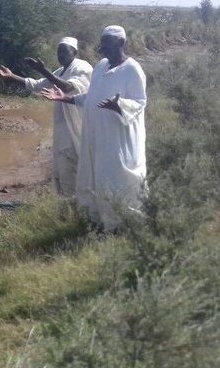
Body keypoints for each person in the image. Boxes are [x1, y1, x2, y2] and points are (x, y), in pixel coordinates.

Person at [42, 26, 147, 231]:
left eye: (107, 42)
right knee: (96, 176)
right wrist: (67, 99)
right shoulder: (100, 66)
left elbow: (140, 101)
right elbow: (91, 97)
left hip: (118, 138)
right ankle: (99, 220)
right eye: (102, 41)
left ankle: (123, 224)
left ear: (121, 43)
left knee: (117, 178)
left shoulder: (132, 69)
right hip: (96, 136)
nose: (103, 46)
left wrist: (120, 105)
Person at [0, 37, 93, 196]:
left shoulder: (82, 68)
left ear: (74, 52)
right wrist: (11, 76)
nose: (60, 55)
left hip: (77, 129)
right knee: (61, 170)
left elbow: (68, 87)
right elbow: (37, 84)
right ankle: (66, 209)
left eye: (64, 51)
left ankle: (78, 210)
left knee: (74, 169)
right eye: (58, 52)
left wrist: (44, 70)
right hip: (63, 131)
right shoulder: (61, 71)